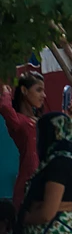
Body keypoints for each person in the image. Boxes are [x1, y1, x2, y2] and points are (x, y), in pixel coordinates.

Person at [1, 73, 46, 207]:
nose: (44, 95)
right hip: (28, 182)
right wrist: (6, 93)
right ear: (24, 91)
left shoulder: (40, 121)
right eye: (39, 90)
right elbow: (5, 108)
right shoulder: (19, 122)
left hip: (46, 182)